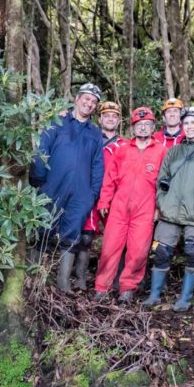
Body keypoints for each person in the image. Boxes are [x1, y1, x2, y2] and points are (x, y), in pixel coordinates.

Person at [30, 83, 105, 292]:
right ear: (77, 98)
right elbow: (41, 150)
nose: (89, 104)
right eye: (86, 99)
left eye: (93, 102)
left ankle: (63, 283)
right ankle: (33, 277)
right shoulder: (57, 121)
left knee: (71, 234)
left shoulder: (95, 133)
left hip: (81, 193)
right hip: (52, 186)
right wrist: (39, 179)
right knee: (42, 229)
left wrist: (92, 193)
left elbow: (98, 164)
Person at [142, 106, 194, 310]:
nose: (190, 126)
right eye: (186, 123)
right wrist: (162, 202)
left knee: (193, 252)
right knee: (160, 250)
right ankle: (155, 295)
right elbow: (161, 179)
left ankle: (185, 299)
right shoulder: (173, 151)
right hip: (169, 212)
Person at [93, 107, 167, 303]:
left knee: (138, 251)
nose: (143, 128)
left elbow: (165, 183)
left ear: (153, 127)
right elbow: (109, 178)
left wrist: (160, 208)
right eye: (139, 125)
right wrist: (104, 200)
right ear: (132, 128)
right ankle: (102, 287)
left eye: (147, 125)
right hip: (119, 206)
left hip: (145, 208)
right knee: (110, 248)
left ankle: (127, 288)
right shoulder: (122, 149)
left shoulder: (161, 151)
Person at [74, 101, 123, 290]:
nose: (110, 119)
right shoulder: (90, 137)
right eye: (106, 115)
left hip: (114, 198)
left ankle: (116, 280)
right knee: (86, 237)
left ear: (119, 120)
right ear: (100, 118)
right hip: (90, 193)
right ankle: (80, 279)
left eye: (114, 116)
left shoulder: (125, 144)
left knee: (118, 239)